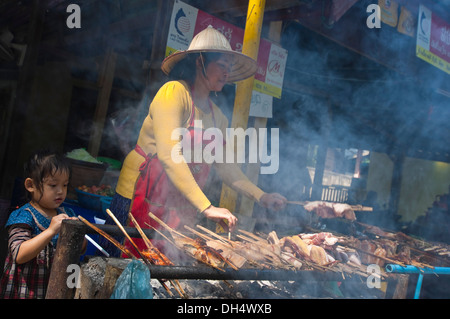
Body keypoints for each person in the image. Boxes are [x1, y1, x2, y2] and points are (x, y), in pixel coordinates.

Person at [108, 26, 286, 257]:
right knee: (121, 263)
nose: (226, 74)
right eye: (222, 65)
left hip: (178, 204)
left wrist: (261, 196)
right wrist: (208, 207)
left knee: (163, 265)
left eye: (229, 69)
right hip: (140, 195)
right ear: (199, 62)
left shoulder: (218, 117)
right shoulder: (173, 93)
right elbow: (169, 155)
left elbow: (225, 167)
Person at [0, 149, 82, 299]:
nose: (60, 192)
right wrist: (50, 231)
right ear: (31, 185)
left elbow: (81, 249)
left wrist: (79, 232)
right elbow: (19, 254)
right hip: (25, 292)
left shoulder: (68, 213)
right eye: (53, 185)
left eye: (65, 185)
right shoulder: (24, 215)